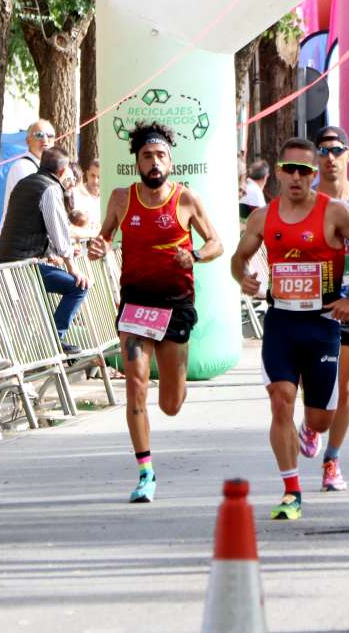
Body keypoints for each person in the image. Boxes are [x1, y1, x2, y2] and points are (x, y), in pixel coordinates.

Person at [231, 137, 349, 521]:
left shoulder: (333, 212)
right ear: (278, 173)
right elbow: (238, 258)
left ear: (314, 175)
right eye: (290, 170)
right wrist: (244, 278)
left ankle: (312, 429)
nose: (297, 177)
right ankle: (291, 490)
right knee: (280, 399)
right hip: (282, 321)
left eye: (305, 171)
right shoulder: (263, 217)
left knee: (320, 418)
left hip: (322, 323)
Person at [88, 122, 223, 503]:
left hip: (176, 305)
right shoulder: (120, 198)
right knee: (135, 385)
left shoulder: (185, 200)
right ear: (137, 162)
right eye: (147, 156)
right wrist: (98, 248)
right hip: (135, 303)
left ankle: (172, 395)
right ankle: (145, 472)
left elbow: (217, 243)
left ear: (171, 161)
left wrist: (194, 254)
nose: (154, 162)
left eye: (160, 155)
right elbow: (104, 239)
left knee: (171, 404)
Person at [296, 126, 349, 492]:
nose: (330, 157)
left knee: (346, 386)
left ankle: (332, 460)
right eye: (323, 150)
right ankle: (311, 424)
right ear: (316, 159)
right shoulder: (305, 200)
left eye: (337, 150)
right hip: (310, 299)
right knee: (311, 380)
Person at [0, 146, 88, 353]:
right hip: (24, 266)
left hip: (7, 261)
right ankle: (55, 340)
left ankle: (47, 341)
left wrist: (50, 254)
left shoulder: (24, 184)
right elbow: (58, 231)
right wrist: (72, 267)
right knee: (79, 286)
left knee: (23, 318)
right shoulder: (50, 188)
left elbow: (29, 224)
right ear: (62, 172)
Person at [0, 119, 56, 235]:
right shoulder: (23, 167)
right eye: (39, 135)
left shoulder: (47, 169)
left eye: (50, 136)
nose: (45, 140)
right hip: (16, 246)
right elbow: (37, 209)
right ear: (28, 140)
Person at [71, 159, 102, 238]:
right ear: (87, 174)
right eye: (92, 175)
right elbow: (70, 229)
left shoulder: (109, 196)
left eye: (99, 177)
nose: (95, 181)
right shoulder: (75, 194)